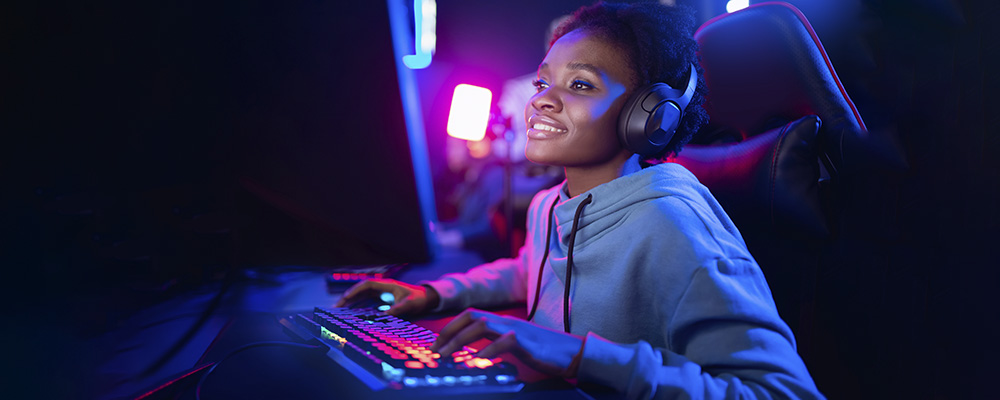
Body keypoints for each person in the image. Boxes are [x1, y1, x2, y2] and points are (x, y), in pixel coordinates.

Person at [337, 2, 823, 399]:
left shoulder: (672, 225)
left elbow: (780, 391)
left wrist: (577, 355)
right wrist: (434, 294)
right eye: (544, 82)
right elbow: (529, 268)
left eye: (581, 85)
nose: (543, 100)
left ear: (649, 118)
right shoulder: (549, 204)